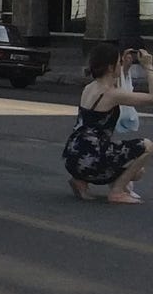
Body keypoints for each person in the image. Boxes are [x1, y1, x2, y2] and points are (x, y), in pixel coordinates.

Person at [65, 45, 153, 203]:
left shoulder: (90, 88)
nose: (121, 65)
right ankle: (117, 192)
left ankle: (80, 181)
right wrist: (148, 67)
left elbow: (114, 84)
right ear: (111, 67)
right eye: (119, 62)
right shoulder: (111, 94)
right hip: (93, 158)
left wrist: (124, 67)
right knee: (147, 146)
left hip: (73, 155)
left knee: (137, 171)